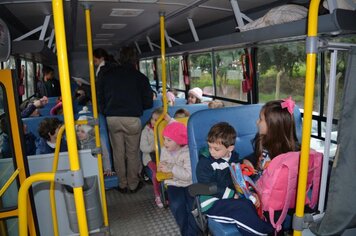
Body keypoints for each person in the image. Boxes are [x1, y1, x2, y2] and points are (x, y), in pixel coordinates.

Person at [196, 122, 274, 236]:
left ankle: (262, 229)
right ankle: (265, 231)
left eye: (216, 149)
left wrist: (250, 192)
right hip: (212, 203)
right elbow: (207, 187)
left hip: (231, 198)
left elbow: (237, 178)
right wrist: (232, 195)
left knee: (248, 204)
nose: (211, 151)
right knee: (241, 208)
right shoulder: (205, 163)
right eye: (209, 147)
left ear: (230, 148)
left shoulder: (234, 158)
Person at [97, 46, 153, 193]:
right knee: (133, 153)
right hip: (131, 119)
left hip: (112, 118)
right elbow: (148, 103)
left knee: (118, 152)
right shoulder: (140, 78)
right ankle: (133, 185)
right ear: (135, 60)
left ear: (119, 58)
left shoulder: (107, 75)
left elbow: (99, 97)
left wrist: (105, 111)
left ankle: (122, 184)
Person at [157, 122, 198, 236]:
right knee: (177, 205)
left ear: (179, 141)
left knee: (193, 207)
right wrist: (161, 167)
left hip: (189, 183)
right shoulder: (165, 150)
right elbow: (163, 165)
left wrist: (171, 168)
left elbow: (188, 175)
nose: (165, 143)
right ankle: (186, 232)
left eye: (169, 140)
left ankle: (194, 232)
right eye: (164, 139)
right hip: (173, 183)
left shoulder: (187, 152)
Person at [243, 97, 300, 179]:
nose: (257, 122)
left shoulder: (289, 155)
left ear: (273, 126)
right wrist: (248, 161)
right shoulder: (262, 139)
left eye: (261, 119)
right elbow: (257, 155)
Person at [140, 107, 164, 207]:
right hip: (150, 157)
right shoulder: (146, 131)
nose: (154, 122)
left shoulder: (164, 129)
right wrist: (153, 147)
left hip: (162, 156)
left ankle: (166, 193)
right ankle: (157, 195)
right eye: (153, 119)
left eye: (157, 120)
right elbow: (143, 148)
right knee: (156, 172)